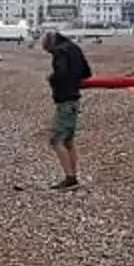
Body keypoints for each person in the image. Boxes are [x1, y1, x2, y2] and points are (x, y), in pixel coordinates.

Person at [42, 29, 92, 188]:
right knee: (68, 140)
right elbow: (87, 72)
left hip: (65, 100)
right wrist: (75, 81)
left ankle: (70, 178)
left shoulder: (60, 52)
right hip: (74, 99)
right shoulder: (74, 47)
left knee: (57, 140)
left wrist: (52, 79)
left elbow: (61, 73)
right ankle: (73, 176)